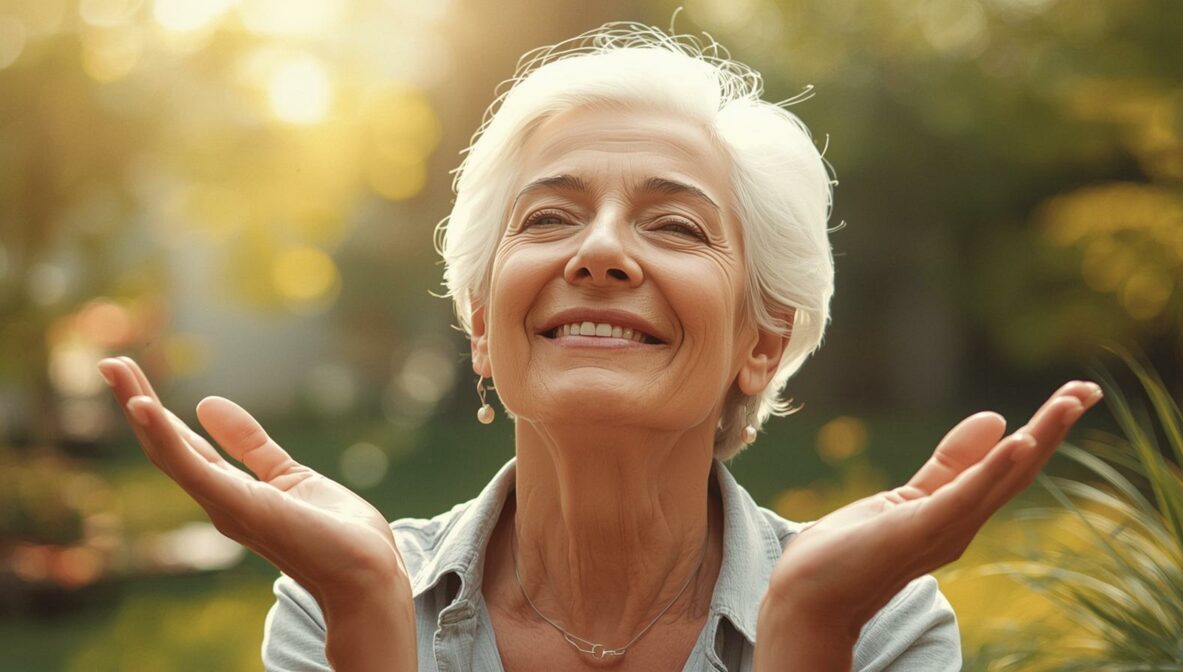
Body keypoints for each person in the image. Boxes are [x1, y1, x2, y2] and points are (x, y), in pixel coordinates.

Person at [96, 23, 1103, 672]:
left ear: (762, 340)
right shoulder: (335, 597)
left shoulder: (878, 621)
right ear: (482, 327)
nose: (603, 251)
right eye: (549, 218)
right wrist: (367, 614)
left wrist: (807, 633)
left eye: (674, 225)